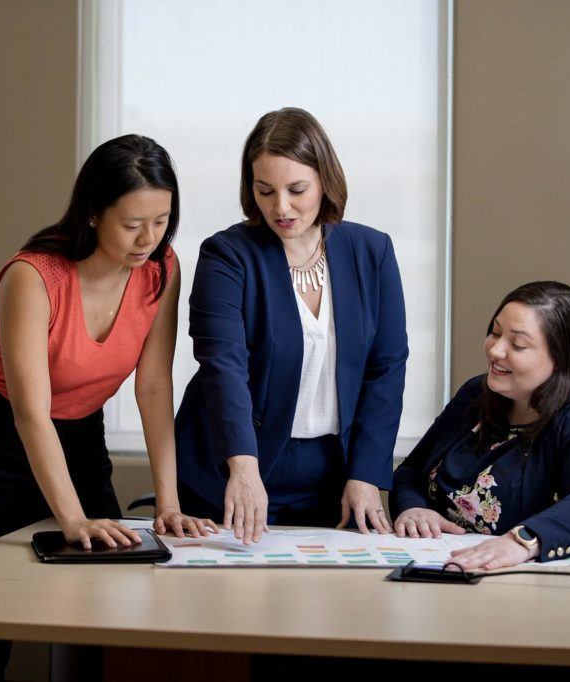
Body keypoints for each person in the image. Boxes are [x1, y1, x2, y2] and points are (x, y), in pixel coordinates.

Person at [0, 134, 214, 679]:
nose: (148, 239)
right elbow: (30, 412)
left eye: (161, 221)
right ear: (91, 213)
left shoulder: (161, 267)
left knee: (107, 585)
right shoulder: (33, 275)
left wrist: (170, 502)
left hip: (79, 434)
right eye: (132, 223)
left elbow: (154, 387)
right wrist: (72, 517)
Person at [175, 107, 408, 544]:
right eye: (265, 191)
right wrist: (242, 467)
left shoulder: (372, 252)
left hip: (332, 478)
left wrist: (367, 473)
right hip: (233, 469)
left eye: (296, 189)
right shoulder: (226, 256)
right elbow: (224, 367)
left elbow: (386, 368)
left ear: (325, 181)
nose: (280, 208)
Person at [390, 281, 570, 570]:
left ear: (561, 359)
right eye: (495, 332)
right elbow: (411, 471)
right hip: (451, 570)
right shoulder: (476, 394)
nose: (496, 350)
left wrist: (524, 540)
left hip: (558, 586)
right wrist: (413, 508)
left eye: (518, 345)